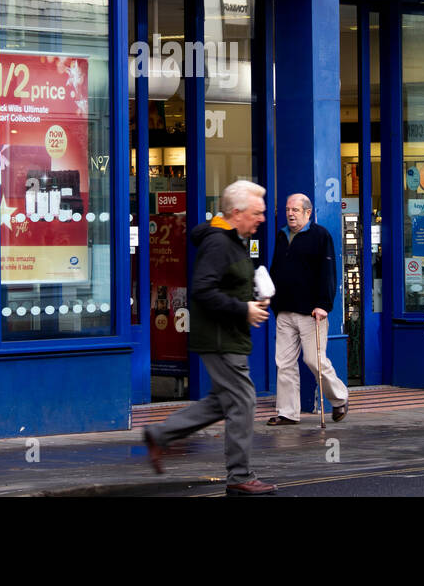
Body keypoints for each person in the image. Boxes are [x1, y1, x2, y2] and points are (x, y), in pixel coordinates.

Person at [142, 180, 276, 495]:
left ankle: (159, 434)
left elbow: (223, 285)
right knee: (243, 401)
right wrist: (243, 309)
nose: (262, 219)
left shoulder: (233, 240)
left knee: (223, 401)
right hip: (220, 339)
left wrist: (252, 297)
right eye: (257, 213)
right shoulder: (219, 243)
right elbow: (202, 289)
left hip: (227, 336)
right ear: (237, 212)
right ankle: (240, 476)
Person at [266, 193, 349, 425]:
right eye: (288, 209)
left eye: (295, 210)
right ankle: (288, 413)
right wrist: (273, 300)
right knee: (284, 363)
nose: (290, 213)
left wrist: (324, 304)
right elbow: (276, 268)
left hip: (312, 312)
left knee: (314, 361)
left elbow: (328, 273)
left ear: (308, 212)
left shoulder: (320, 236)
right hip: (284, 310)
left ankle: (340, 397)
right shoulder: (282, 235)